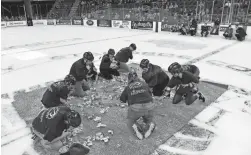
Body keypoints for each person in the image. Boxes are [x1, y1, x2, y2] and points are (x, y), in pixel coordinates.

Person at [120, 69, 155, 140]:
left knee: (130, 120)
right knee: (147, 118)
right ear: (137, 78)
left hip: (136, 108)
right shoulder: (144, 84)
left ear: (129, 79)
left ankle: (136, 130)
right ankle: (149, 124)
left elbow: (122, 99)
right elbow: (150, 95)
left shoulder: (128, 87)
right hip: (149, 106)